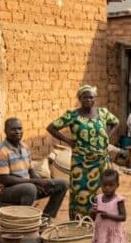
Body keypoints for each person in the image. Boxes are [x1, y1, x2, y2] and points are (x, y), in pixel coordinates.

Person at [47, 85, 119, 220]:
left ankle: (99, 220)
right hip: (81, 163)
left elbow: (115, 122)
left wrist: (107, 136)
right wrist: (67, 140)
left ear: (95, 99)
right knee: (80, 193)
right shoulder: (72, 115)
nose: (88, 100)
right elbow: (51, 128)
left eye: (91, 97)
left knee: (101, 191)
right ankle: (79, 222)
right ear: (80, 98)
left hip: (101, 163)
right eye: (85, 97)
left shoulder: (103, 112)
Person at [0, 117, 68, 220]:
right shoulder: (1, 150)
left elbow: (31, 170)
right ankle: (25, 221)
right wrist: (34, 182)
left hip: (26, 186)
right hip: (4, 191)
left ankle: (46, 218)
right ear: (5, 131)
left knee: (62, 184)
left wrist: (41, 182)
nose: (17, 132)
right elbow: (6, 180)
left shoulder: (24, 146)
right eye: (13, 129)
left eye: (19, 129)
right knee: (30, 188)